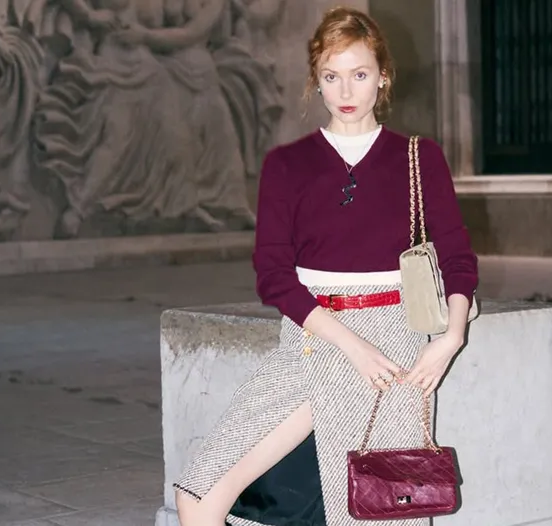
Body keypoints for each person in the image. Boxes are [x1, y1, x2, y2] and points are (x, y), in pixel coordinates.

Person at [173, 6, 479, 526]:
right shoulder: (286, 165)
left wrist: (449, 338)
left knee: (374, 512)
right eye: (331, 76)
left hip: (394, 347)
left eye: (359, 74)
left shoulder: (418, 158)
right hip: (313, 337)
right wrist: (350, 344)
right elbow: (273, 274)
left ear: (383, 76)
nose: (345, 90)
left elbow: (457, 259)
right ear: (316, 80)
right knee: (197, 497)